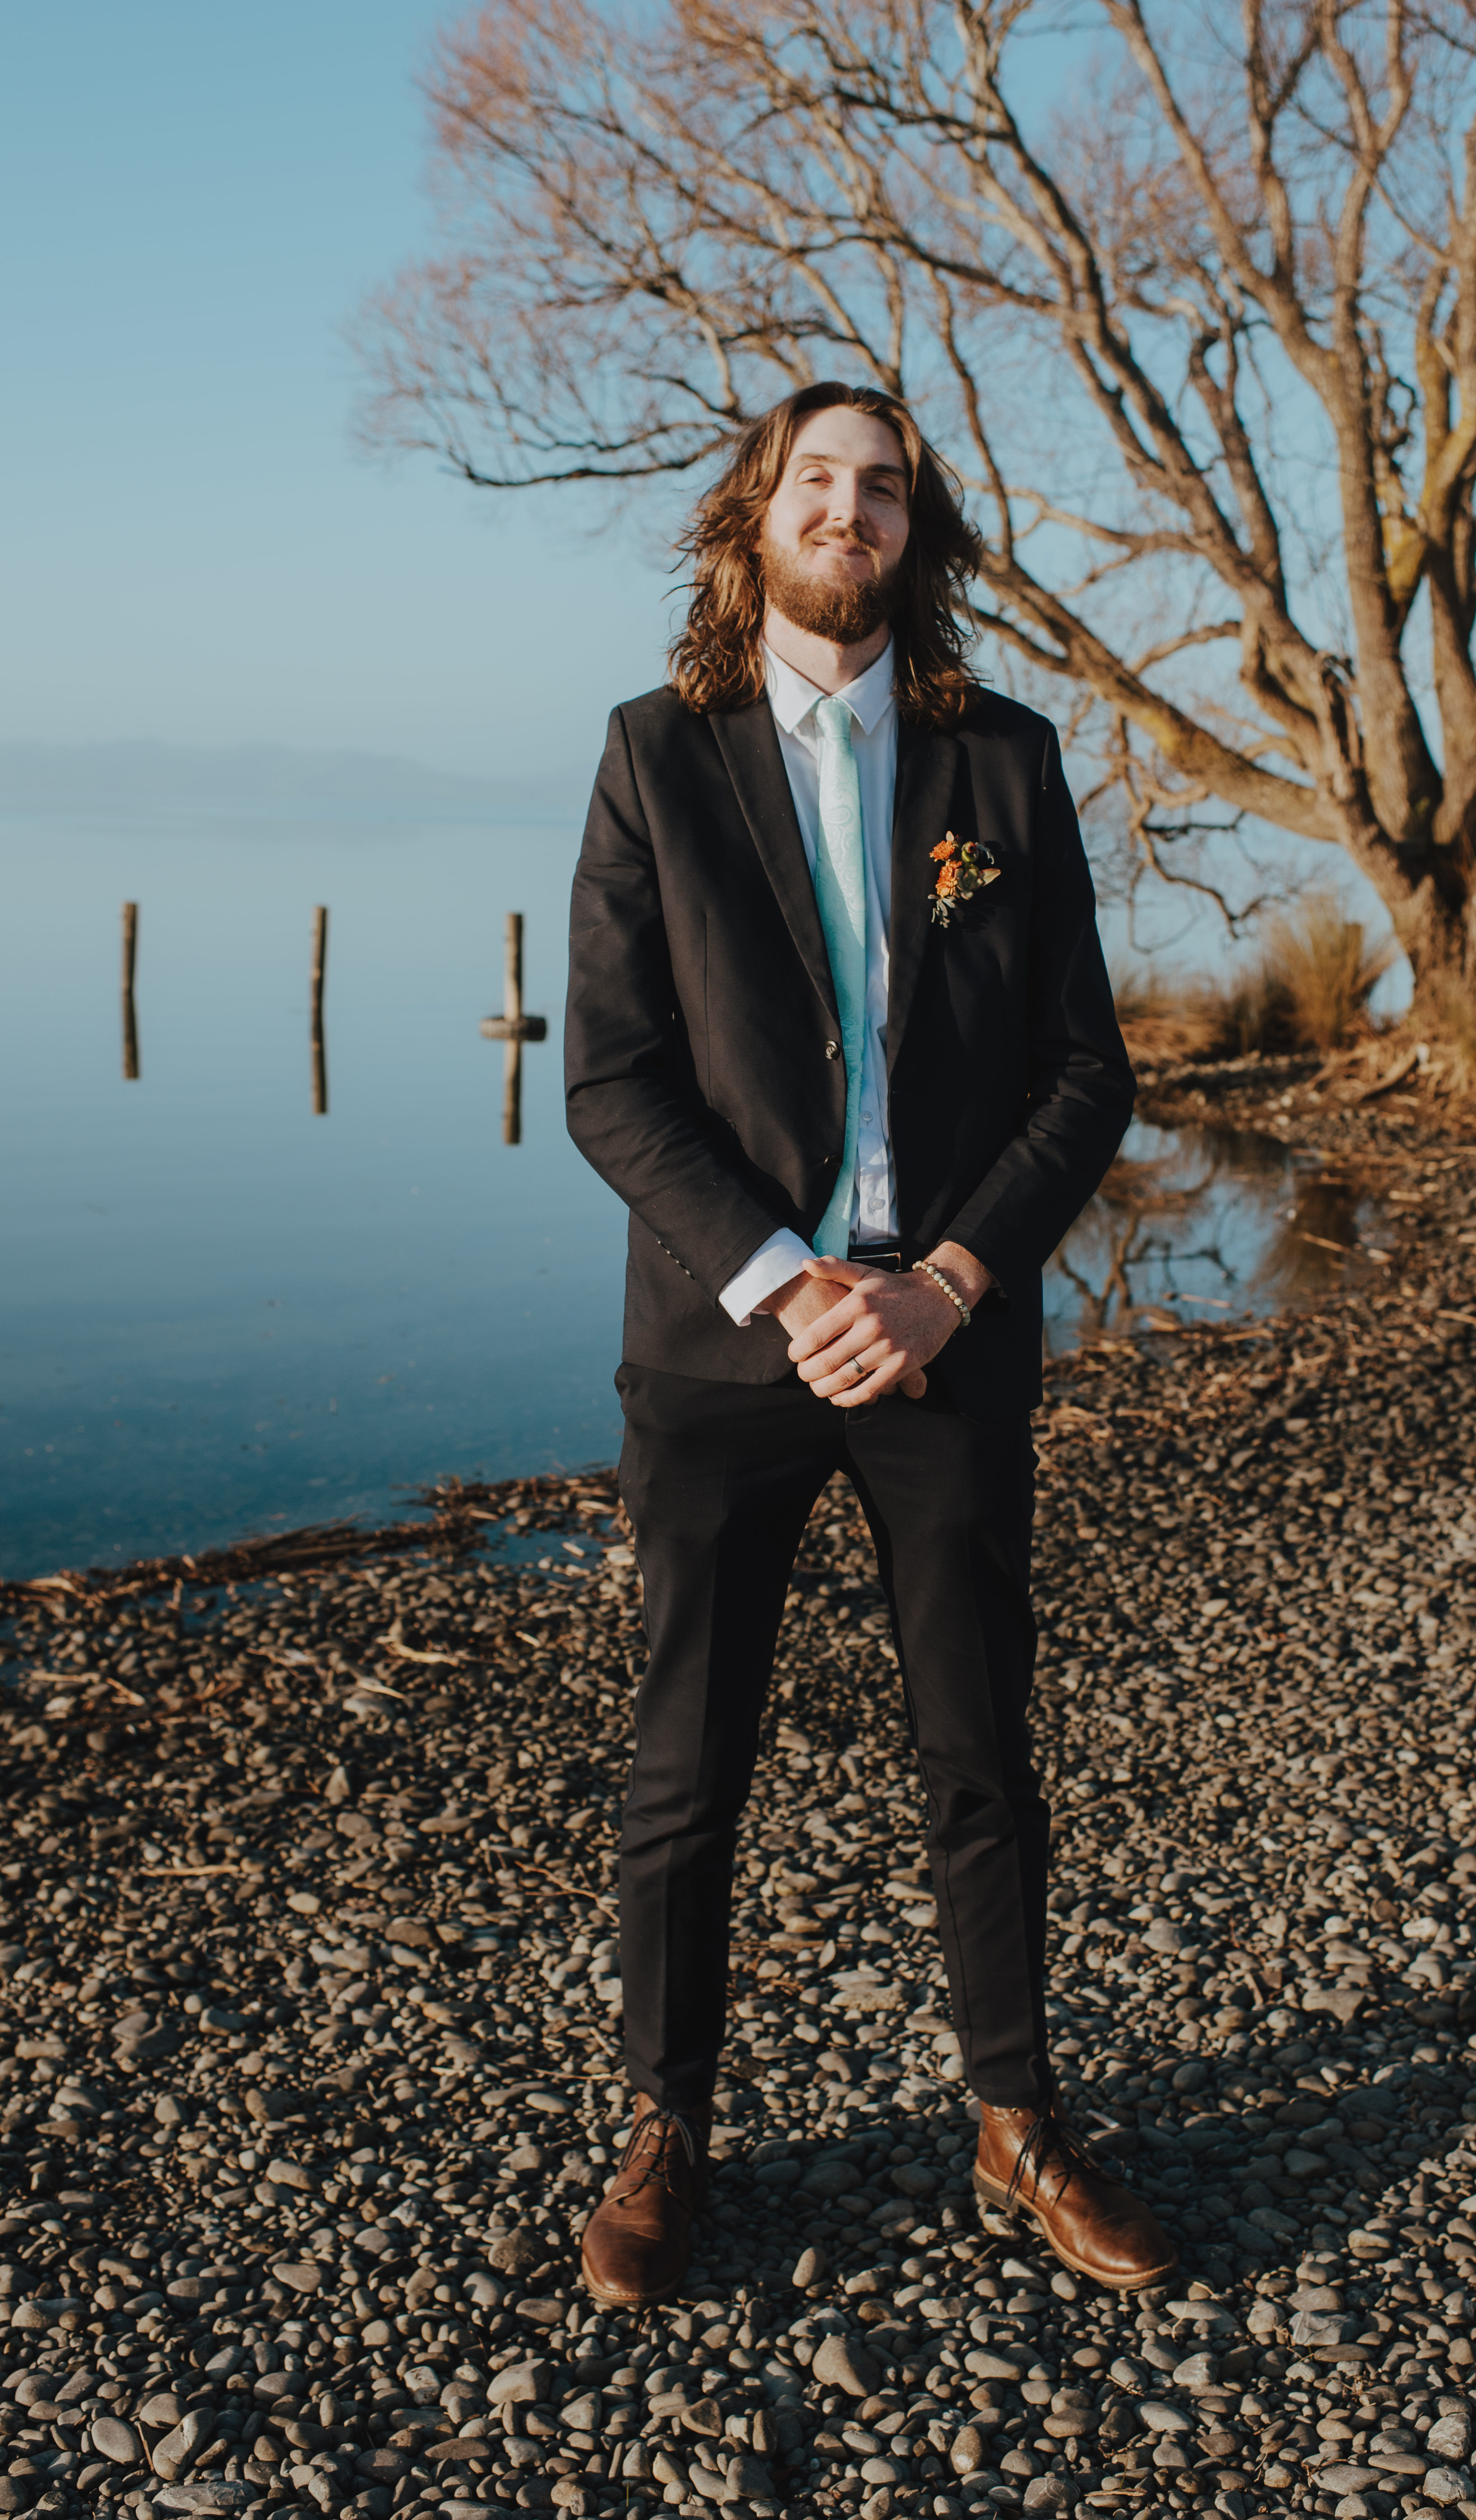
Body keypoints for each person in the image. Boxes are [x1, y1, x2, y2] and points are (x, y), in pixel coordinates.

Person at [564, 379, 1175, 2308]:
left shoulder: (1002, 758)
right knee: (686, 1767)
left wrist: (948, 1279)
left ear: (922, 531)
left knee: (982, 1750)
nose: (853, 511)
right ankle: (668, 2130)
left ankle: (1015, 2119)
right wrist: (791, 1276)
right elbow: (612, 1080)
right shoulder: (655, 757)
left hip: (950, 1341)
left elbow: (1091, 1071)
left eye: (887, 488)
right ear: (757, 515)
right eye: (819, 480)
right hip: (729, 1353)